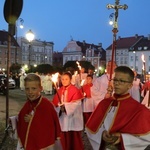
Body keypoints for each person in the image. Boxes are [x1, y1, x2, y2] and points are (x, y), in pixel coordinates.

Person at [85, 66, 150, 150]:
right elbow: (91, 129)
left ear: (130, 85)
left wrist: (122, 138)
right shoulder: (104, 104)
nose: (116, 83)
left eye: (122, 81)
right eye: (115, 80)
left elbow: (146, 137)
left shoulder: (139, 110)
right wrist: (102, 134)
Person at [17, 73, 62, 150]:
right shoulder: (27, 104)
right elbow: (21, 119)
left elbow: (50, 125)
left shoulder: (46, 105)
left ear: (41, 88)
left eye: (33, 88)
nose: (30, 92)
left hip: (42, 144)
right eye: (27, 89)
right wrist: (14, 120)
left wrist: (33, 120)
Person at [52, 72, 84, 150]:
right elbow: (55, 104)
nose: (64, 81)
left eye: (66, 79)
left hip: (72, 118)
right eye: (62, 79)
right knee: (63, 136)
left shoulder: (75, 90)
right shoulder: (59, 90)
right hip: (63, 118)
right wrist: (60, 108)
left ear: (70, 79)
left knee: (73, 138)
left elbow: (77, 103)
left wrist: (66, 107)